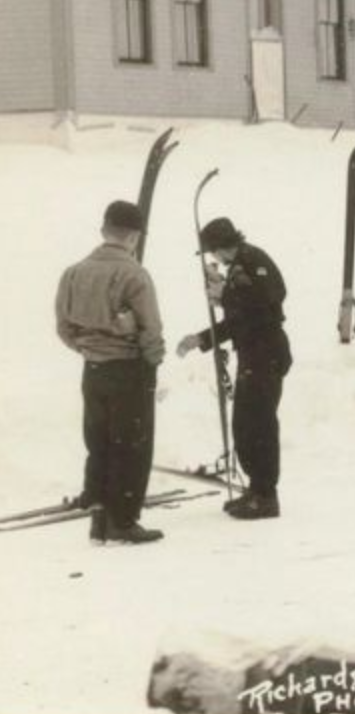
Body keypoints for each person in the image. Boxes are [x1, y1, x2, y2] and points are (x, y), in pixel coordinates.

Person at [55, 200, 166, 545]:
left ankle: (99, 518)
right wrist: (152, 361)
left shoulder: (73, 272)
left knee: (99, 443)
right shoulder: (134, 274)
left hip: (93, 369)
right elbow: (151, 329)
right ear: (133, 237)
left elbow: (63, 327)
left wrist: (89, 349)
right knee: (131, 445)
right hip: (129, 369)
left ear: (104, 231)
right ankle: (123, 521)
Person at [176, 217, 292, 519]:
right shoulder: (238, 266)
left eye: (212, 252)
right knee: (245, 425)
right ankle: (256, 490)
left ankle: (266, 496)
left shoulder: (253, 259)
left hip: (265, 353)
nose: (213, 259)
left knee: (260, 425)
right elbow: (238, 320)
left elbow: (271, 298)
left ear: (220, 247)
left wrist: (225, 295)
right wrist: (200, 339)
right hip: (253, 355)